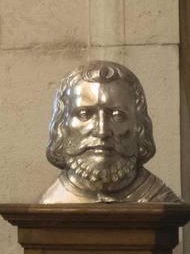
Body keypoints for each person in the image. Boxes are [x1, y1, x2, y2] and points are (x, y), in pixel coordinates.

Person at [39, 60, 180, 204]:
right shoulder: (51, 203)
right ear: (62, 125)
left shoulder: (160, 200)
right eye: (84, 114)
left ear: (139, 126)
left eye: (117, 115)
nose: (102, 131)